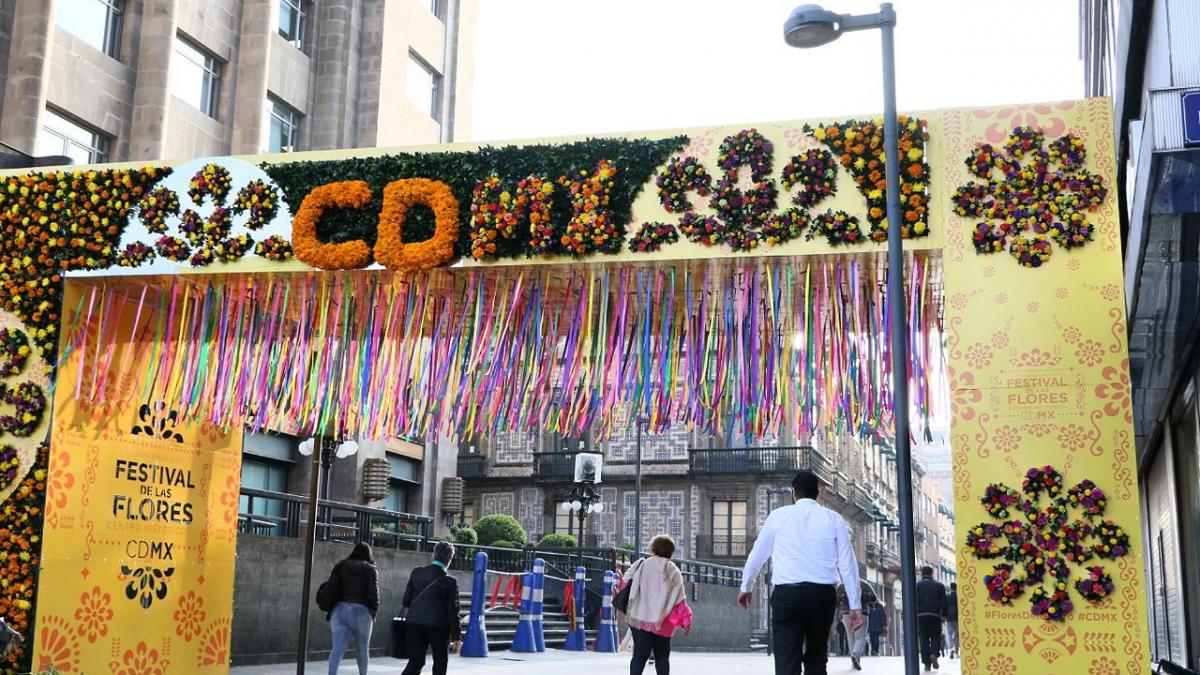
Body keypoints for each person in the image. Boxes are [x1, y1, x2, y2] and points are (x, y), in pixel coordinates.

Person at [738, 471, 862, 675]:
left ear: (793, 492)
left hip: (787, 596)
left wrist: (746, 587)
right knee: (817, 656)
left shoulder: (778, 516)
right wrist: (855, 605)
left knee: (787, 657)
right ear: (818, 492)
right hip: (821, 596)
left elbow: (757, 555)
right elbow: (848, 564)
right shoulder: (834, 519)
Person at [623, 534, 693, 675]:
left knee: (639, 656)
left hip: (640, 619)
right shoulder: (673, 570)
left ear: (653, 548)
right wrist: (687, 622)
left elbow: (625, 584)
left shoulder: (641, 564)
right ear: (671, 551)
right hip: (663, 622)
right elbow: (680, 601)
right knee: (662, 656)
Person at [402, 541, 462, 675]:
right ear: (449, 559)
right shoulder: (450, 581)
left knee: (416, 661)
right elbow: (453, 610)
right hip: (439, 627)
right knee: (440, 663)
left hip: (415, 623)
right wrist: (456, 636)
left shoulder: (417, 573)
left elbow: (406, 601)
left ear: (433, 555)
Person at [327, 543, 380, 675]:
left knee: (337, 648)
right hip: (362, 611)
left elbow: (331, 586)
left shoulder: (341, 566)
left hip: (339, 610)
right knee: (362, 649)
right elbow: (374, 593)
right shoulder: (370, 569)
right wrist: (374, 609)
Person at [915, 566, 948, 672]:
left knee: (923, 638)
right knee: (936, 636)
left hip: (920, 615)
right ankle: (934, 653)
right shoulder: (939, 586)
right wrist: (944, 615)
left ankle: (927, 664)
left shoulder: (916, 586)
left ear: (921, 573)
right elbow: (944, 602)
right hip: (935, 615)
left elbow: (912, 601)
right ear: (932, 573)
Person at [838, 582, 876, 670]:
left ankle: (854, 659)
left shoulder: (842, 586)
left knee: (850, 637)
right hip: (862, 612)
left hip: (846, 613)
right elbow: (874, 598)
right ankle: (856, 654)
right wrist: (868, 601)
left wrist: (841, 606)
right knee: (861, 636)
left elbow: (836, 600)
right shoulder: (865, 585)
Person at [945, 582, 959, 659]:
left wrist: (944, 616)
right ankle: (956, 652)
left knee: (950, 634)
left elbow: (944, 606)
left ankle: (951, 649)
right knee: (957, 635)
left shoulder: (947, 597)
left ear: (950, 588)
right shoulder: (958, 597)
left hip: (948, 618)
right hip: (957, 618)